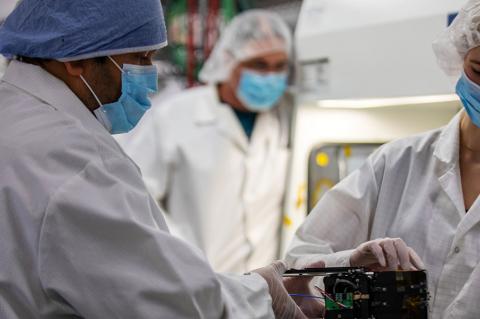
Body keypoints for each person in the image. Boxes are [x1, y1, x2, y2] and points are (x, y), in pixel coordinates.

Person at [0, 1, 322, 318]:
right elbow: (169, 303)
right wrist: (264, 292)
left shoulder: (17, 114)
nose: (150, 77)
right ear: (74, 59)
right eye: (140, 58)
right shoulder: (76, 164)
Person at [285, 1, 480, 318]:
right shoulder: (396, 164)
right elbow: (295, 275)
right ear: (458, 59)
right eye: (479, 70)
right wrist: (354, 279)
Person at [117, 10, 293, 273]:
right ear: (229, 61)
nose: (270, 76)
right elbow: (135, 193)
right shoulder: (176, 115)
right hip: (195, 282)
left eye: (279, 66)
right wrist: (181, 256)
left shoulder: (285, 118)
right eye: (259, 65)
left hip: (264, 292)